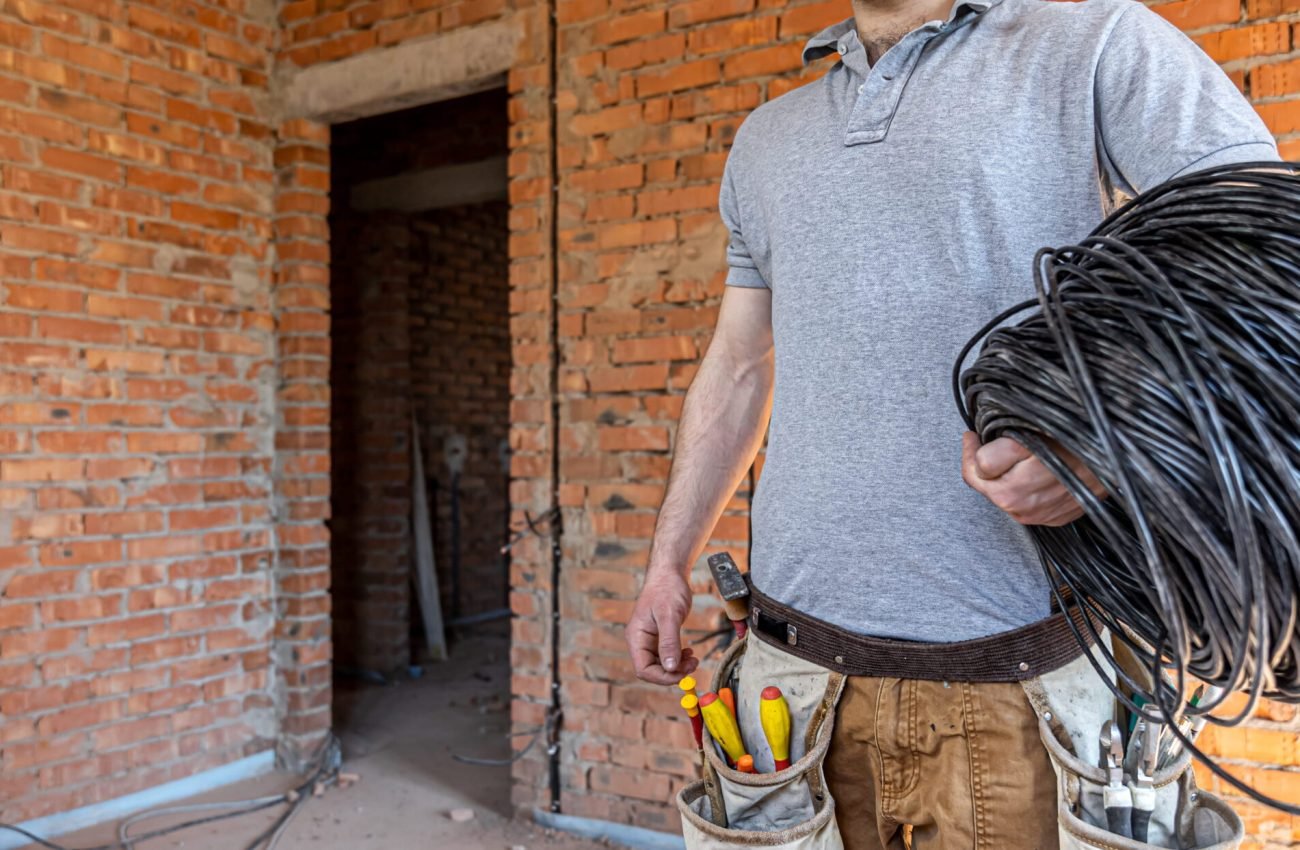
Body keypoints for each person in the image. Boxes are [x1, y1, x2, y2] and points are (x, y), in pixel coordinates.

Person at [625, 0, 1280, 846]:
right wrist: (667, 559)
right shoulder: (765, 139)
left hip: (1025, 688)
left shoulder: (1096, 46)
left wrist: (1106, 442)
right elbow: (740, 363)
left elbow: (1255, 252)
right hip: (792, 683)